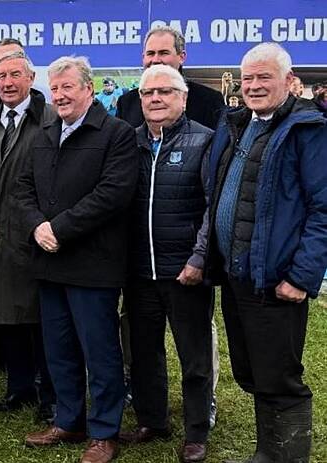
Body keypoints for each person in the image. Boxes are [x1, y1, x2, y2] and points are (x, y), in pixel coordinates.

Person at [204, 42, 327, 463]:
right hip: (239, 276)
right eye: (248, 78)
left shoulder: (307, 130)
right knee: (254, 371)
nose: (254, 86)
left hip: (279, 280)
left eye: (264, 78)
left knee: (282, 377)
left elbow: (323, 210)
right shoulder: (239, 125)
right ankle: (266, 454)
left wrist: (302, 276)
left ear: (289, 81)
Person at [14, 55, 137, 463]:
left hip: (93, 266)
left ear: (88, 87)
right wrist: (37, 227)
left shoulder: (116, 133)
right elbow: (23, 189)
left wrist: (59, 229)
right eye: (55, 88)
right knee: (59, 350)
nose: (60, 95)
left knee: (100, 353)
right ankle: (69, 421)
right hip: (49, 263)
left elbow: (112, 194)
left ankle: (104, 432)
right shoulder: (46, 133)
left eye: (68, 86)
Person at [115, 25, 224, 426]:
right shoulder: (129, 124)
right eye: (149, 92)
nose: (156, 97)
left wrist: (199, 257)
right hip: (140, 266)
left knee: (194, 350)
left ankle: (198, 422)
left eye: (165, 92)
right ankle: (151, 418)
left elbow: (214, 203)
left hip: (185, 266)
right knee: (143, 349)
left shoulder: (208, 127)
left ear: (183, 95)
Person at [0, 50, 56, 422]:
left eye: (14, 75)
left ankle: (50, 394)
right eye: (1, 76)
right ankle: (19, 389)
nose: (7, 83)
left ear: (31, 77)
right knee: (5, 313)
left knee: (41, 318)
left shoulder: (51, 119)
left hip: (35, 234)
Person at [117, 26, 225, 130]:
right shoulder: (126, 103)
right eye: (150, 53)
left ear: (182, 57)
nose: (155, 60)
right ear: (143, 57)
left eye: (163, 53)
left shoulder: (209, 101)